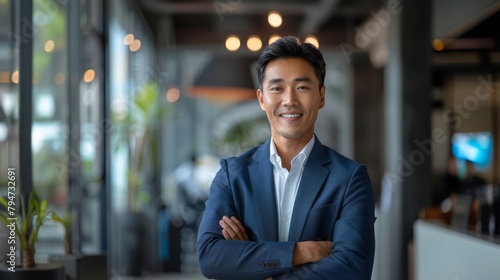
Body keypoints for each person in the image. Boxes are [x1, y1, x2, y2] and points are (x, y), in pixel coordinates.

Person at [197, 36, 376, 280]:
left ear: (321, 96)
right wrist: (301, 252)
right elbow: (211, 257)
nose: (289, 100)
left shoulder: (350, 178)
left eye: (302, 87)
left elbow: (353, 266)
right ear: (261, 98)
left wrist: (257, 267)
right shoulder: (233, 175)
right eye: (277, 88)